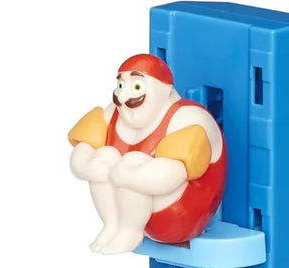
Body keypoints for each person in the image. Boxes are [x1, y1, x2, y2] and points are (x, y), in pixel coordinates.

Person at [69, 53, 226, 254]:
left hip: (180, 215)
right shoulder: (115, 112)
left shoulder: (188, 118)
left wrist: (126, 174)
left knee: (133, 162)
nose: (123, 97)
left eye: (136, 86)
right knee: (105, 156)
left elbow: (172, 174)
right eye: (121, 86)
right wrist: (91, 166)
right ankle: (112, 226)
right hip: (125, 210)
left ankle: (130, 232)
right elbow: (83, 149)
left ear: (166, 90)